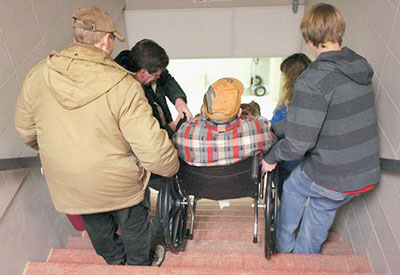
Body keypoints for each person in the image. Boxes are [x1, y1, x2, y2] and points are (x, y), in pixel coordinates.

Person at [14, 5, 179, 266]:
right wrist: (171, 167)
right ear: (105, 40)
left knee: (96, 225)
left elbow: (26, 132)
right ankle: (138, 266)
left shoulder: (38, 75)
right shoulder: (123, 85)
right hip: (119, 182)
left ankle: (115, 262)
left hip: (70, 182)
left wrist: (61, 149)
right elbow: (154, 151)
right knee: (134, 225)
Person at [262, 3, 380, 254]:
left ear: (310, 39)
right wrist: (280, 127)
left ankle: (284, 248)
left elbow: (298, 145)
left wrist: (270, 157)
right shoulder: (358, 64)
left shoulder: (313, 79)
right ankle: (305, 258)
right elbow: (328, 118)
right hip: (364, 173)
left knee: (293, 187)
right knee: (321, 208)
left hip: (333, 173)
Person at [174, 77, 273, 167]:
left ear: (204, 111)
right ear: (239, 112)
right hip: (242, 186)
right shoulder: (259, 129)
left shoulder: (184, 132)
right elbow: (273, 142)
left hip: (196, 187)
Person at [115, 39, 192, 139]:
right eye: (157, 75)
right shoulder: (125, 93)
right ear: (143, 72)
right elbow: (145, 137)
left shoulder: (146, 64)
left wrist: (179, 101)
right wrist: (172, 127)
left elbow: (166, 78)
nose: (158, 78)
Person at [270, 53, 311, 197]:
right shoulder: (314, 97)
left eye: (284, 75)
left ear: (290, 77)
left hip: (289, 161)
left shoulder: (289, 104)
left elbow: (274, 130)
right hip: (310, 163)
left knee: (288, 198)